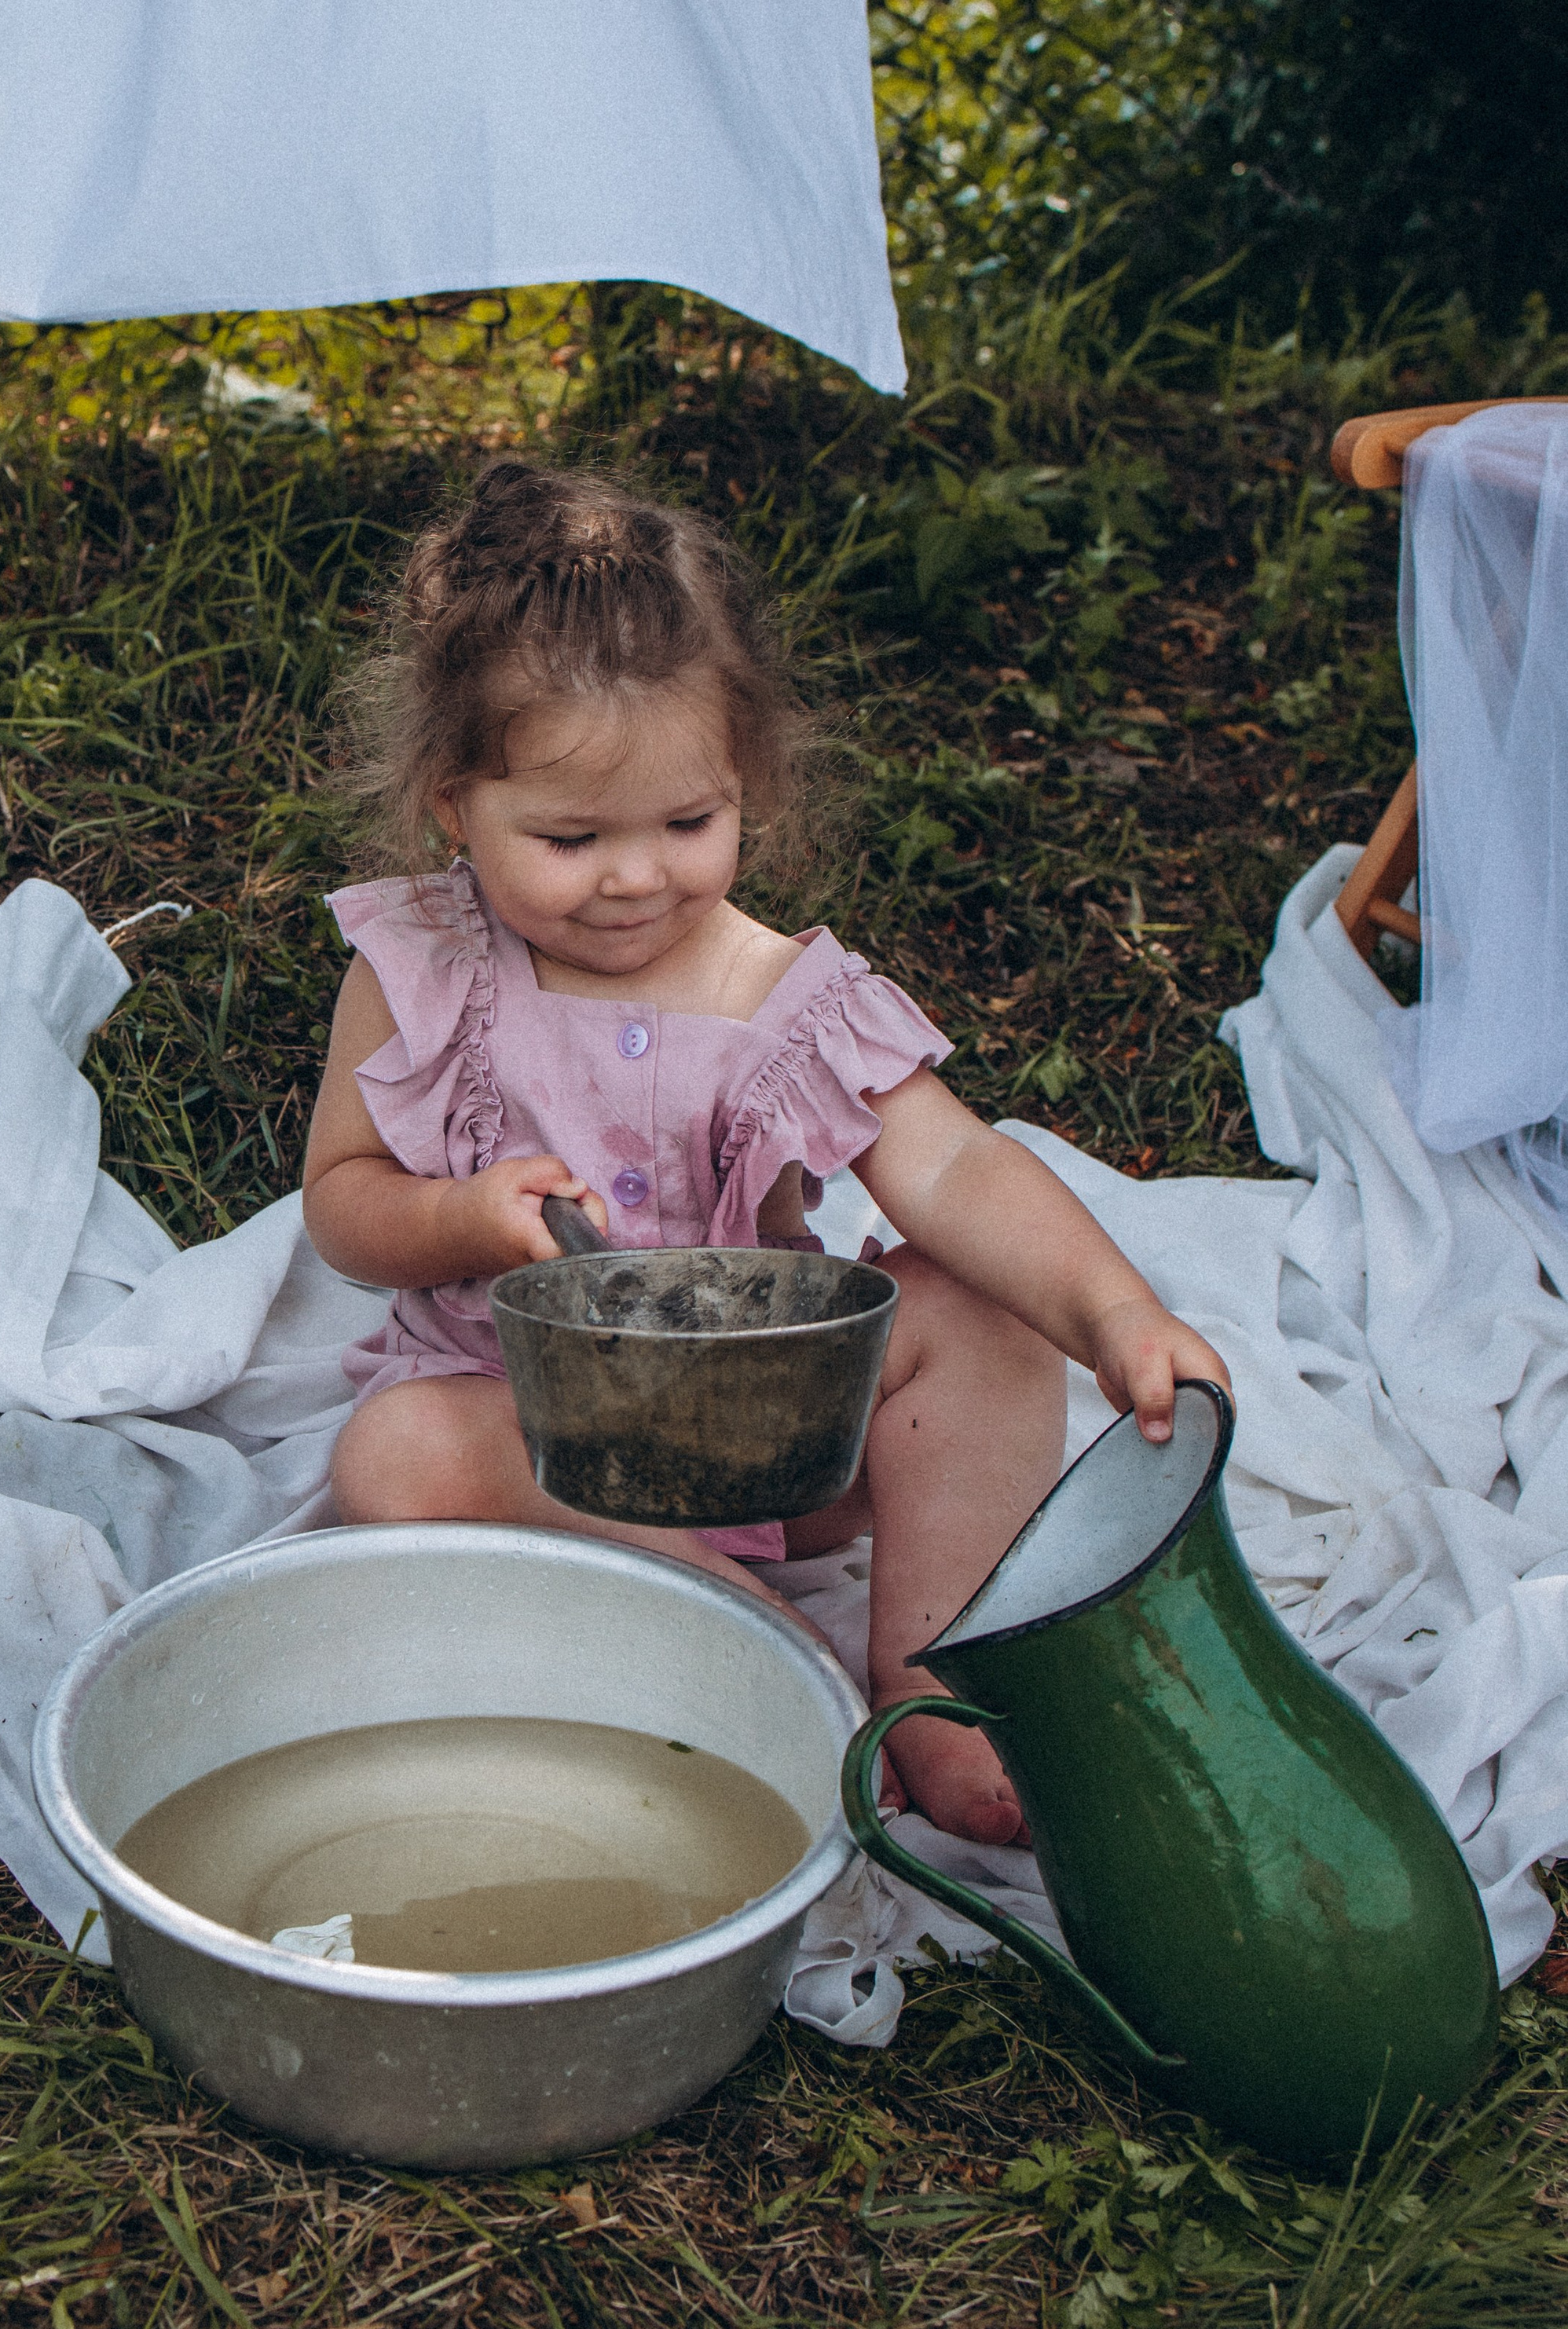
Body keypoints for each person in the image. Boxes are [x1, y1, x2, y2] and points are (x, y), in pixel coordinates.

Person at [302, 461, 1229, 1846]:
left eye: (690, 823)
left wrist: (1114, 1312)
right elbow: (342, 1204)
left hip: (771, 1440)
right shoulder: (423, 969)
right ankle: (760, 1657)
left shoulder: (784, 997)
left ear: (748, 785)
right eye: (569, 836)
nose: (636, 877)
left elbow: (959, 1172)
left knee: (971, 1309)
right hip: (525, 1435)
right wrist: (462, 1217)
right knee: (394, 1454)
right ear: (454, 805)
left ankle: (938, 1685)